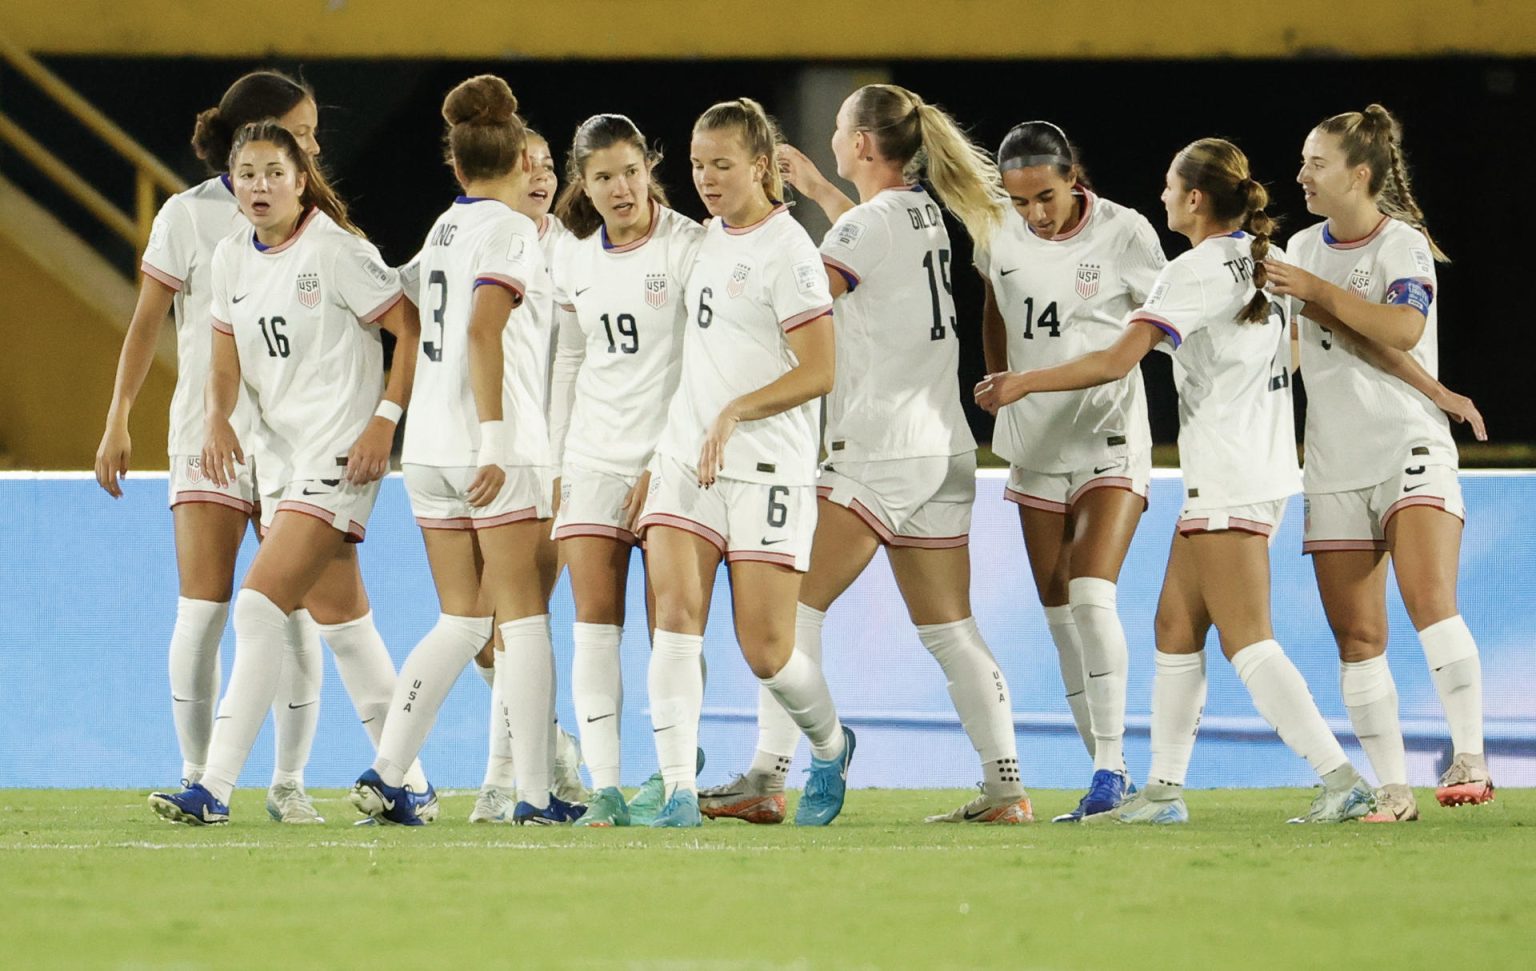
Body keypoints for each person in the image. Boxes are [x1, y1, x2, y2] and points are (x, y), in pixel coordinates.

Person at [977, 138, 1375, 824]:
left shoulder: (1193, 270)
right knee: (1173, 627)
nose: (1159, 195)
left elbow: (1114, 360)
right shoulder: (1265, 260)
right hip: (1256, 464)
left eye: (1169, 185)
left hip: (1228, 471)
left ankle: (1341, 777)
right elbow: (1298, 351)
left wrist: (1024, 381)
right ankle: (1162, 791)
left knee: (1246, 637)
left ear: (1194, 199)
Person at [700, 84, 1031, 825]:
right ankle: (1006, 787)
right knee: (949, 627)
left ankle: (768, 770)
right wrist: (818, 190)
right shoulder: (920, 216)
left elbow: (803, 298)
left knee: (790, 608)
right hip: (943, 448)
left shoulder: (869, 226)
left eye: (841, 129)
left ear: (859, 145)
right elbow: (868, 251)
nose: (832, 140)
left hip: (879, 449)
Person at [147, 120, 422, 824]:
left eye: (275, 171)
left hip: (338, 453)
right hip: (280, 461)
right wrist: (216, 417)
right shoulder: (231, 254)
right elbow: (224, 348)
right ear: (230, 181)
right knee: (346, 625)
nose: (260, 185)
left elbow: (410, 327)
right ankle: (409, 781)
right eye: (247, 173)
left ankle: (212, 787)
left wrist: (384, 421)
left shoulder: (337, 251)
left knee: (258, 604)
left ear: (302, 181)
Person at [344, 76, 579, 826]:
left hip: (431, 448)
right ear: (516, 160)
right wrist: (498, 439)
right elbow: (483, 330)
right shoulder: (510, 232)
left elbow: (404, 301)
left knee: (463, 621)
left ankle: (387, 771)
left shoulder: (446, 226)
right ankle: (537, 796)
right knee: (523, 619)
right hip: (492, 449)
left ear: (457, 166)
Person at [97, 71, 331, 823]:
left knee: (297, 615)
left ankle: (289, 782)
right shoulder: (188, 216)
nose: (315, 144)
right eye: (304, 129)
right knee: (203, 611)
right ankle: (199, 774)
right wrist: (118, 417)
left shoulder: (318, 219)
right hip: (208, 431)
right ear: (253, 137)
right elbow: (145, 323)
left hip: (293, 437)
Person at [1264, 104, 1492, 822]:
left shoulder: (1403, 246)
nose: (1302, 174)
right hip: (1333, 461)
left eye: (1316, 162)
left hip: (1408, 446)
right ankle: (1393, 789)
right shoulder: (1300, 245)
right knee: (1357, 636)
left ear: (1359, 174)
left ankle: (1470, 755)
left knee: (1430, 598)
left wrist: (1321, 294)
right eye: (1302, 161)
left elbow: (1402, 326)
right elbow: (1297, 348)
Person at [633, 97, 854, 828]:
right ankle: (673, 792)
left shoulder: (789, 250)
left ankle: (829, 745)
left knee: (766, 651)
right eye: (697, 166)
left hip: (767, 468)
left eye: (721, 164)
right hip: (688, 461)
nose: (706, 178)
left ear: (761, 165)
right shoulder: (702, 240)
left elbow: (820, 368)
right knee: (674, 618)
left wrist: (735, 410)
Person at [976, 121, 1165, 821]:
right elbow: (994, 302)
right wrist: (1001, 376)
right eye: (1021, 202)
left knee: (1091, 594)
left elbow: (1163, 323)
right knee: (1060, 616)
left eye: (1046, 197)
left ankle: (1113, 767)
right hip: (1034, 443)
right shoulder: (999, 232)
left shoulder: (1125, 234)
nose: (1035, 214)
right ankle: (1104, 780)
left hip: (1107, 433)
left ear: (1073, 176)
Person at [542, 114, 705, 826]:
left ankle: (677, 784)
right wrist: (555, 460)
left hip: (671, 456)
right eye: (603, 176)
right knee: (592, 628)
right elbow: (570, 361)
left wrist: (669, 453)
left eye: (630, 171)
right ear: (584, 183)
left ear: (650, 166)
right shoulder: (573, 259)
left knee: (672, 629)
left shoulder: (691, 247)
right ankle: (605, 788)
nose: (620, 188)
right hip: (593, 456)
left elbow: (708, 363)